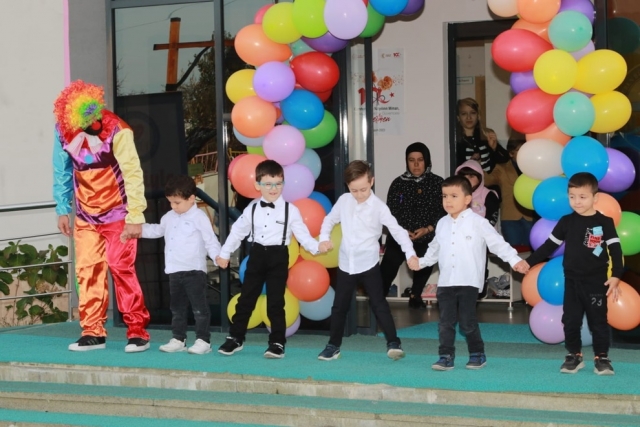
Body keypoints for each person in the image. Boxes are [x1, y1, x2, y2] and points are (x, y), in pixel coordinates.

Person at [53, 80, 151, 353]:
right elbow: (61, 170)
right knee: (87, 271)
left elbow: (132, 172)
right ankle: (92, 331)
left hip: (118, 213)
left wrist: (135, 215)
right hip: (85, 215)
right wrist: (62, 208)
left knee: (121, 268)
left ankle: (137, 331)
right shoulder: (63, 129)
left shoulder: (118, 129)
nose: (87, 122)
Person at [410, 175, 527, 371]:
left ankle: (477, 353)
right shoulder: (442, 223)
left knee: (467, 322)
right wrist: (420, 263)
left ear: (467, 199)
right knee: (445, 323)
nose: (448, 200)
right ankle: (445, 356)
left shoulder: (478, 222)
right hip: (446, 282)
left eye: (454, 196)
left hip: (469, 282)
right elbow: (434, 249)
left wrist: (515, 261)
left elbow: (497, 244)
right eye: (444, 196)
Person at [215, 160, 329, 359]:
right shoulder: (251, 209)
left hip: (278, 257)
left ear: (283, 184)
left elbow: (303, 236)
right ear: (257, 185)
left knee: (276, 301)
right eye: (268, 184)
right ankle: (235, 338)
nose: (273, 188)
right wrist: (225, 254)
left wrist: (317, 247)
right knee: (246, 299)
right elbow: (237, 232)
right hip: (257, 255)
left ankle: (277, 342)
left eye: (278, 183)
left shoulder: (291, 210)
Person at [316, 161, 420, 361]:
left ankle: (394, 343)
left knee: (379, 303)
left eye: (363, 189)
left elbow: (397, 231)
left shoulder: (379, 207)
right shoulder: (344, 201)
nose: (359, 194)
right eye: (354, 190)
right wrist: (324, 238)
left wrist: (410, 253)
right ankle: (333, 346)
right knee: (339, 307)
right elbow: (329, 220)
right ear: (348, 186)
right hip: (346, 263)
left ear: (371, 181)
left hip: (368, 263)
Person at [523, 172, 623, 376]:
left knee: (598, 321)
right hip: (572, 281)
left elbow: (615, 250)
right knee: (570, 320)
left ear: (595, 197)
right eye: (572, 197)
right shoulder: (566, 221)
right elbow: (548, 246)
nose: (577, 202)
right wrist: (528, 262)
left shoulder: (605, 222)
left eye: (582, 197)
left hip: (596, 283)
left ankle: (602, 357)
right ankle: (574, 355)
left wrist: (616, 275)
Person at [126, 175, 221, 355]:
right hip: (174, 271)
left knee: (199, 308)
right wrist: (138, 230)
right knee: (177, 308)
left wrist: (218, 257)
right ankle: (178, 338)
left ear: (191, 198)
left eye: (177, 202)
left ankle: (203, 340)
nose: (173, 206)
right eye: (170, 202)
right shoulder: (169, 217)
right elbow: (157, 230)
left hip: (194, 271)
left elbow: (210, 240)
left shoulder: (199, 217)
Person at [380, 142, 445, 309]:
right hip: (401, 235)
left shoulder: (438, 183)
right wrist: (402, 231)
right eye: (411, 160)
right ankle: (378, 297)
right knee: (389, 264)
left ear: (427, 161)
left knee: (426, 258)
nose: (416, 164)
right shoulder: (398, 183)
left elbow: (443, 211)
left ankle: (416, 295)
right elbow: (390, 211)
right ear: (406, 162)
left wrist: (428, 229)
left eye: (420, 160)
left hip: (428, 234)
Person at [456, 159, 500, 299]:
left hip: (483, 238)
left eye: (471, 176)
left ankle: (480, 283)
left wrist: (476, 234)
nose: (467, 180)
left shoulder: (488, 194)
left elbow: (491, 218)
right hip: (461, 238)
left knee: (477, 257)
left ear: (480, 177)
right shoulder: (457, 196)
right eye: (464, 176)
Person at [484, 137, 534, 248]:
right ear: (511, 153)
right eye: (520, 150)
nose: (524, 153)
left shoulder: (533, 168)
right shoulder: (501, 169)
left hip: (530, 216)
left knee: (532, 252)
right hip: (510, 217)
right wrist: (483, 161)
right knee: (513, 252)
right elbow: (487, 180)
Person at [455, 98, 509, 173]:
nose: (469, 117)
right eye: (464, 114)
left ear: (478, 115)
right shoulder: (455, 140)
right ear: (458, 117)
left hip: (488, 179)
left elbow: (505, 159)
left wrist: (494, 148)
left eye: (473, 113)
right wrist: (470, 163)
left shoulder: (485, 135)